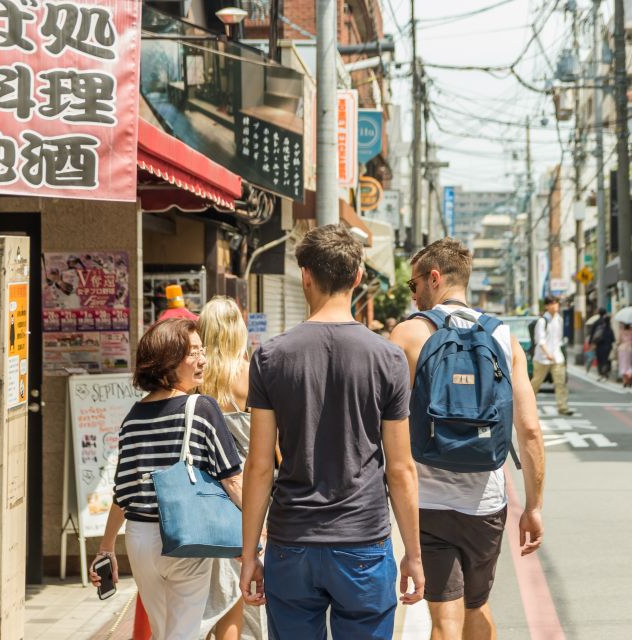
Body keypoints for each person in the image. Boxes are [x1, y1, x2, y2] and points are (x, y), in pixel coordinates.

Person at [238, 224, 424, 639]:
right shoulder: (388, 359)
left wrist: (249, 554)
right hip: (363, 542)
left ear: (305, 275)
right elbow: (400, 469)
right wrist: (413, 553)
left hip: (292, 541)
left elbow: (259, 465)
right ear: (358, 277)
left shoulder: (270, 357)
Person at [390, 238, 545, 640]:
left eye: (413, 284)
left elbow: (382, 422)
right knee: (477, 605)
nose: (414, 294)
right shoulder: (504, 337)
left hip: (428, 502)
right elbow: (529, 429)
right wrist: (533, 507)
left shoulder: (407, 334)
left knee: (444, 620)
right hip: (486, 504)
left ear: (434, 278)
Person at [89, 318, 243, 639]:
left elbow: (123, 492)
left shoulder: (133, 417)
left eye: (202, 351)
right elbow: (232, 479)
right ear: (167, 361)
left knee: (163, 632)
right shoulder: (202, 408)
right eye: (193, 353)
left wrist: (106, 548)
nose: (203, 360)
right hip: (186, 533)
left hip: (140, 539)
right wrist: (258, 532)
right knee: (183, 631)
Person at [197, 297, 265, 640]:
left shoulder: (196, 381)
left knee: (211, 597)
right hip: (252, 495)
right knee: (247, 593)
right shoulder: (250, 375)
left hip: (206, 501)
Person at [531, 295, 573, 415]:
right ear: (546, 306)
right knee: (536, 383)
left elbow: (559, 339)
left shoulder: (559, 319)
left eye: (556, 303)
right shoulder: (542, 321)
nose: (555, 306)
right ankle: (527, 406)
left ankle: (563, 407)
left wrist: (557, 354)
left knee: (560, 383)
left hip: (557, 357)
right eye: (552, 303)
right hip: (542, 358)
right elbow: (540, 340)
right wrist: (547, 354)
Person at [591, 310, 615, 381]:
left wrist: (592, 343)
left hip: (599, 347)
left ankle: (601, 374)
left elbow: (594, 336)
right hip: (608, 347)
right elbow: (613, 339)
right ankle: (605, 374)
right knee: (606, 361)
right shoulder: (610, 330)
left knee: (600, 361)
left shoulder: (599, 327)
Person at [617, 322, 632, 388]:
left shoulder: (621, 332)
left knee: (623, 364)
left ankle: (624, 381)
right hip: (630, 349)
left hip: (622, 349)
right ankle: (629, 378)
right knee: (629, 364)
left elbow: (618, 341)